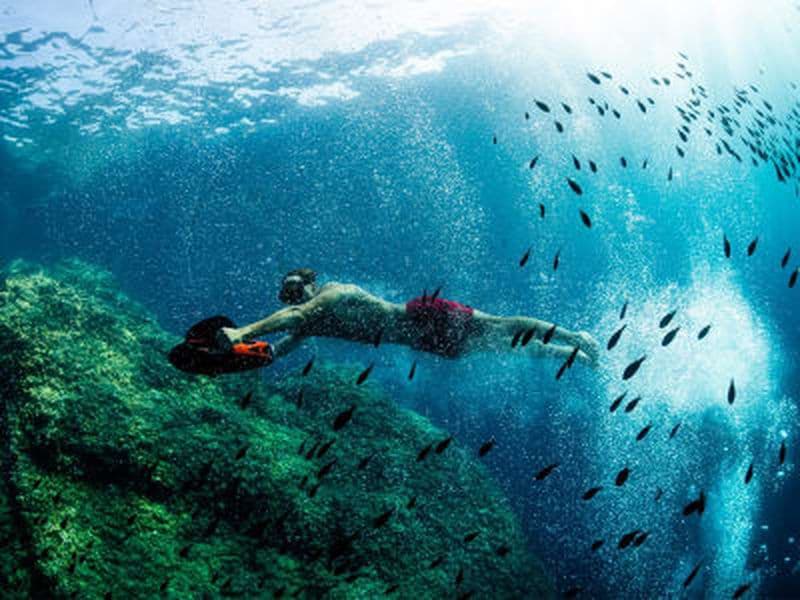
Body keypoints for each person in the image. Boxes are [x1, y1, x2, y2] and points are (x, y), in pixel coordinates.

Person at [214, 268, 599, 367]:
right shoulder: (310, 323)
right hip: (421, 340)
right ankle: (573, 357)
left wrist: (241, 331)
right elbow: (283, 346)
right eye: (286, 292)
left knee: (502, 327)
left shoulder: (333, 294)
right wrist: (250, 355)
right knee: (503, 349)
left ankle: (575, 335)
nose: (292, 294)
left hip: (423, 317)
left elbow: (296, 315)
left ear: (311, 284)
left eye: (296, 286)